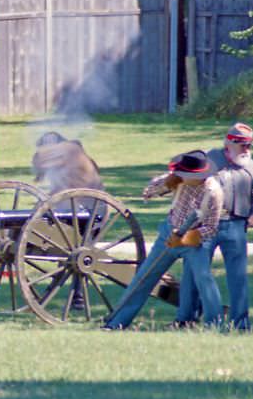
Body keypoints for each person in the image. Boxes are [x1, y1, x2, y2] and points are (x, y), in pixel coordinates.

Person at [103, 150, 224, 330]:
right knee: (143, 278)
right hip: (168, 233)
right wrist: (166, 183)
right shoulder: (178, 179)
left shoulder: (213, 192)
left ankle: (215, 325)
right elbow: (150, 190)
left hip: (194, 242)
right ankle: (116, 322)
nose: (180, 175)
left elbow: (210, 228)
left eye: (184, 174)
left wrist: (184, 240)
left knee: (204, 279)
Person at [188, 122, 253, 330]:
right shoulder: (209, 159)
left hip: (236, 225)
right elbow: (191, 188)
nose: (247, 149)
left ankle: (241, 324)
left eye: (249, 145)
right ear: (228, 142)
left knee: (238, 278)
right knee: (199, 273)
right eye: (242, 145)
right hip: (205, 225)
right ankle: (191, 319)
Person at [31, 131, 104, 309]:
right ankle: (58, 290)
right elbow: (58, 190)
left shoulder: (70, 149)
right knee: (68, 251)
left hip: (89, 212)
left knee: (78, 253)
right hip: (77, 211)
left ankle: (78, 297)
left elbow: (40, 158)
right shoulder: (70, 156)